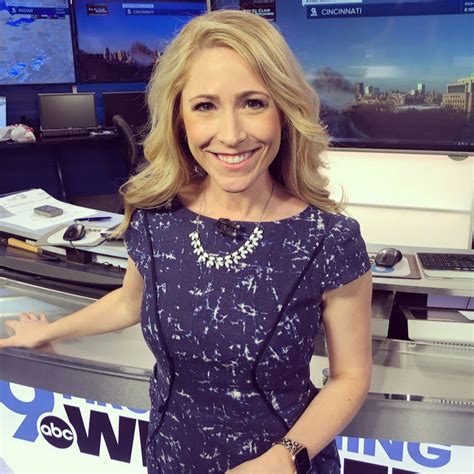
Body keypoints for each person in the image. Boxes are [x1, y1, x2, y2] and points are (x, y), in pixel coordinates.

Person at [0, 10, 372, 474]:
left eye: (254, 103)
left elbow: (350, 377)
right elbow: (128, 303)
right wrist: (49, 330)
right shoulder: (156, 215)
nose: (231, 135)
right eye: (205, 106)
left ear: (284, 110)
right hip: (170, 458)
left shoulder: (330, 239)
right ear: (180, 118)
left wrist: (283, 459)